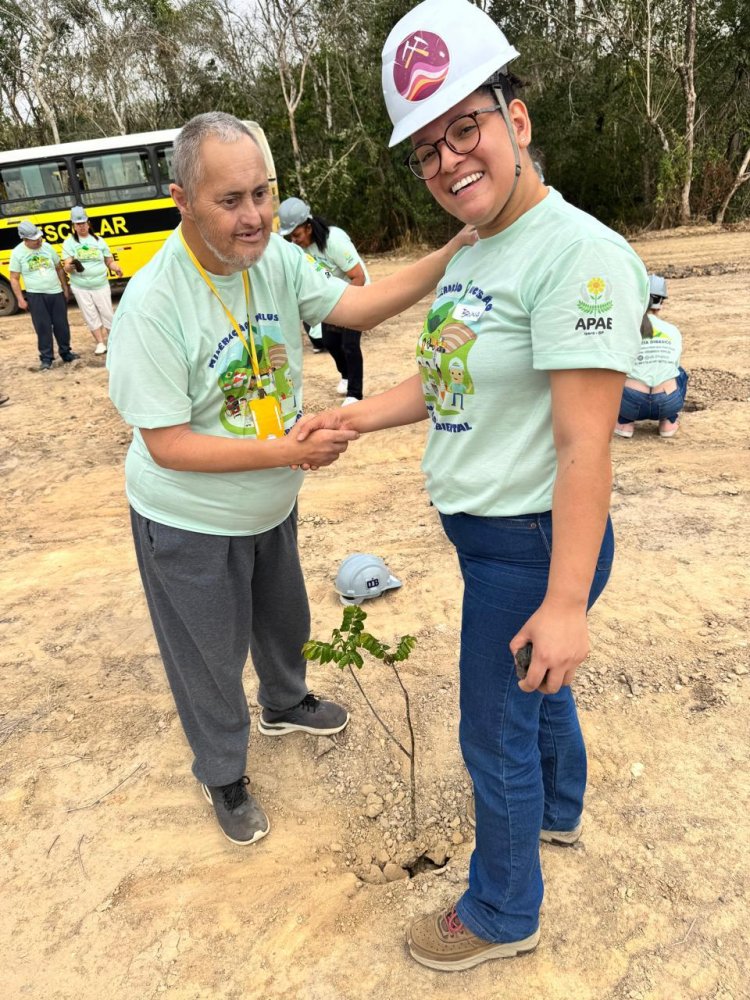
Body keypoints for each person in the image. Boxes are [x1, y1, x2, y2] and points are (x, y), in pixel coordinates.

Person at [298, 0, 648, 970]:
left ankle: (501, 910)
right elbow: (450, 380)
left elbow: (586, 446)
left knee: (492, 727)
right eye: (427, 149)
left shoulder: (573, 255)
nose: (450, 161)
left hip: (534, 539)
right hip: (496, 537)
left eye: (467, 127)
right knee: (536, 693)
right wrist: (358, 415)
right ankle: (563, 810)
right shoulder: (479, 250)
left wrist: (567, 599)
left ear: (517, 118)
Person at [106, 111, 473, 848]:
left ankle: (285, 700)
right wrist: (284, 452)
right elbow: (169, 444)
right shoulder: (152, 303)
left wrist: (454, 249)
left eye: (262, 194)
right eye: (231, 201)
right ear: (182, 200)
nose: (255, 218)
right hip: (191, 519)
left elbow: (356, 305)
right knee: (208, 656)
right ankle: (223, 772)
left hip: (272, 501)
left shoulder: (272, 258)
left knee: (285, 620)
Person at [279, 197, 369, 405]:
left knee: (349, 344)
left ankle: (355, 393)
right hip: (330, 295)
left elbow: (358, 276)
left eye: (297, 235)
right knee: (330, 342)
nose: (294, 240)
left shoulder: (334, 240)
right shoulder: (300, 249)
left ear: (308, 227)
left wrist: (345, 309)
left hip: (355, 291)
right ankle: (346, 376)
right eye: (290, 237)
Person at [614, 274, 688, 439]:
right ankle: (668, 422)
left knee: (615, 373)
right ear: (661, 302)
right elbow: (673, 366)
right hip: (667, 401)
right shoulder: (672, 331)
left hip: (630, 403)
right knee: (680, 372)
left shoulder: (626, 329)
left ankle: (625, 422)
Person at [9, 220, 78, 370]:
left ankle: (66, 352)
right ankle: (46, 358)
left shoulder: (47, 247)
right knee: (43, 327)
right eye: (34, 240)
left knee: (62, 325)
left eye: (39, 238)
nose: (39, 241)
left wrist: (64, 287)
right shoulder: (17, 253)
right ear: (25, 239)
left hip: (56, 293)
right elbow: (14, 278)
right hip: (36, 296)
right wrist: (20, 299)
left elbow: (59, 268)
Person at [62, 206, 123, 355]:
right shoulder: (69, 243)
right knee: (90, 314)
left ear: (88, 223)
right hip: (81, 286)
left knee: (107, 312)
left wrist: (116, 268)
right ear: (73, 226)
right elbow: (66, 266)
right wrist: (70, 267)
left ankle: (113, 341)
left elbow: (109, 261)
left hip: (100, 284)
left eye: (83, 223)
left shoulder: (99, 241)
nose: (81, 226)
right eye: (78, 224)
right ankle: (100, 343)